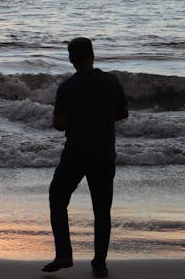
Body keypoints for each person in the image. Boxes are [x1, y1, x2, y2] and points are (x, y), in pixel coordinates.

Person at [43, 37, 129, 278]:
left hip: (76, 154)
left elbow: (60, 124)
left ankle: (64, 254)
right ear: (93, 55)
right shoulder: (111, 81)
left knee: (58, 199)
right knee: (102, 210)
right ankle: (99, 263)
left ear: (71, 59)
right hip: (104, 153)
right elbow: (123, 113)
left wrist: (76, 118)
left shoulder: (67, 88)